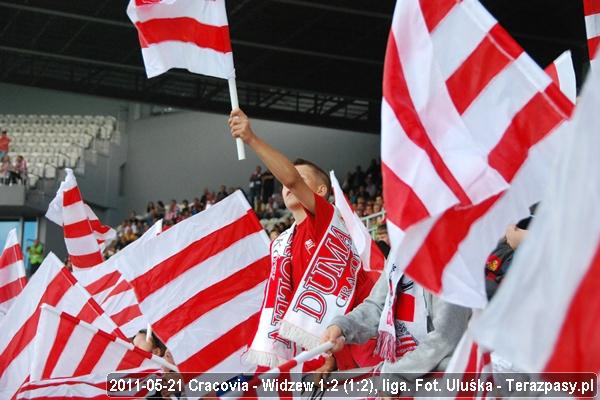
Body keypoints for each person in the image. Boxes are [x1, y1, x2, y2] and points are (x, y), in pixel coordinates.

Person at [229, 109, 381, 375]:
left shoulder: (324, 220)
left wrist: (251, 138)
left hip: (366, 339)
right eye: (286, 181)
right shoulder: (284, 245)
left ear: (320, 191)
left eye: (300, 180)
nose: (286, 184)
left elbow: (290, 177)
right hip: (332, 350)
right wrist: (327, 359)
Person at [321, 271, 471, 394]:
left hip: (445, 378)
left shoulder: (451, 268)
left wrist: (396, 374)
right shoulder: (398, 253)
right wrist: (342, 327)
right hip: (401, 371)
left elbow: (444, 339)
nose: (385, 237)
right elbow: (377, 306)